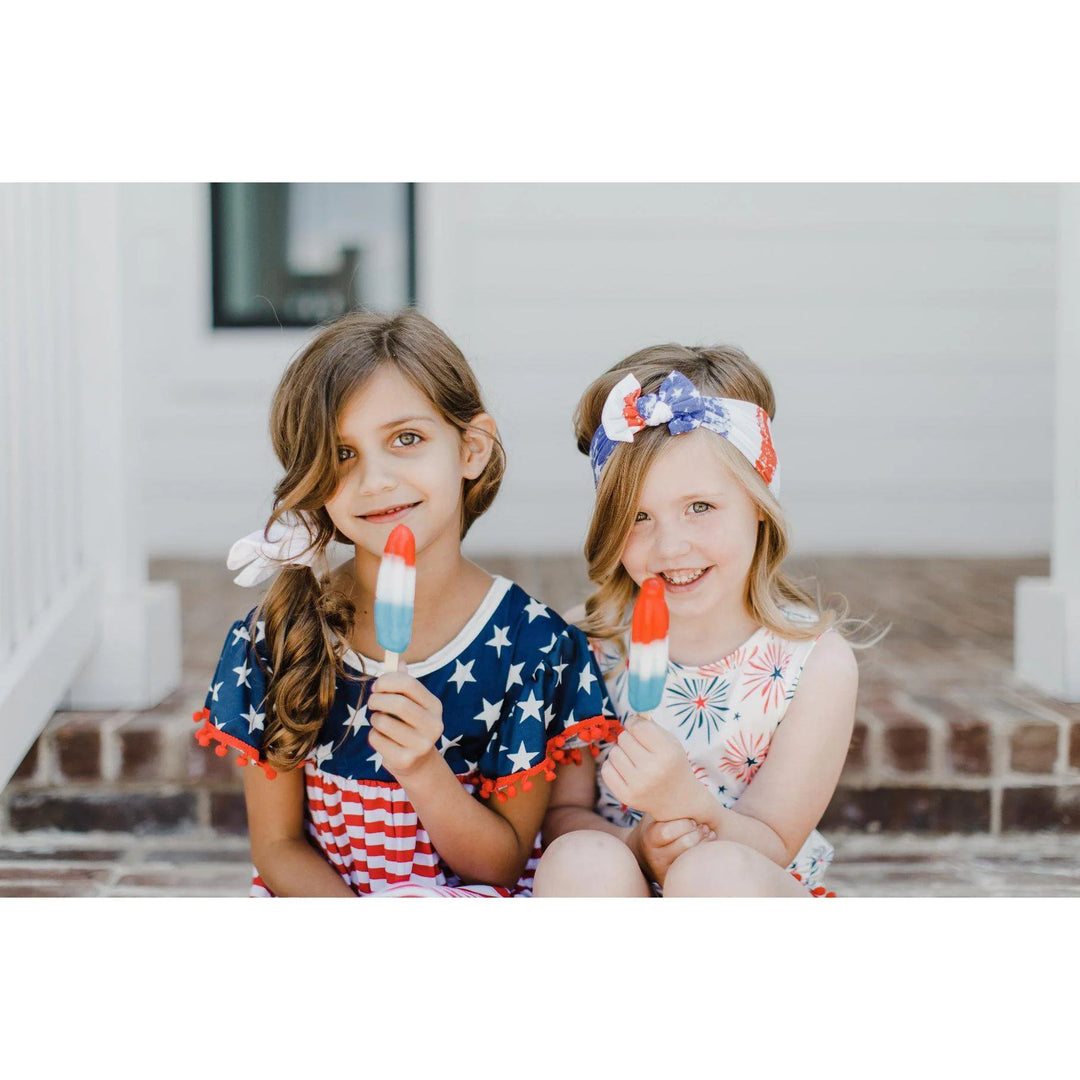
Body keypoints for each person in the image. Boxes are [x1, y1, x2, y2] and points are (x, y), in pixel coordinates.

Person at [192, 310, 616, 896]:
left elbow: (499, 864)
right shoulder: (281, 633)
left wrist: (421, 768)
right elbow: (277, 847)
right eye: (341, 454)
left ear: (471, 449)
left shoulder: (532, 645)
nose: (375, 480)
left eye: (406, 439)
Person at [532, 344, 861, 897]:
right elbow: (563, 814)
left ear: (760, 502)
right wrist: (638, 846)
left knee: (713, 870)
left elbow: (774, 841)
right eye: (638, 516)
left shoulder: (817, 665)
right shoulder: (585, 646)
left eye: (700, 507)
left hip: (747, 888)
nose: (670, 546)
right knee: (578, 858)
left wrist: (684, 802)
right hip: (624, 886)